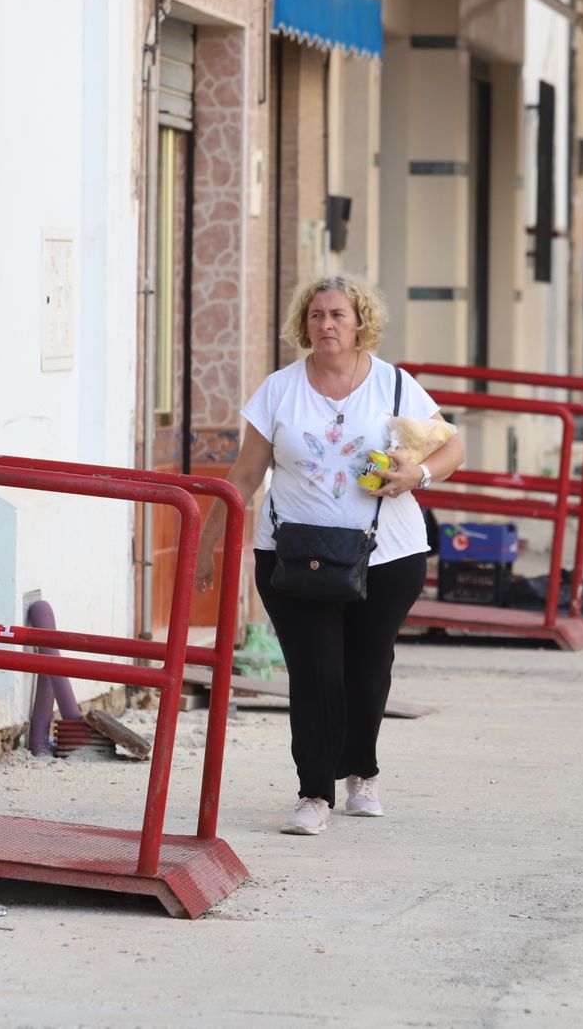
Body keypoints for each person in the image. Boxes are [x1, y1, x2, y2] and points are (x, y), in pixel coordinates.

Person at [194, 273, 465, 836]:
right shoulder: (279, 390)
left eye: (338, 315)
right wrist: (206, 543)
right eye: (317, 315)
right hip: (292, 555)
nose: (326, 325)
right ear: (304, 324)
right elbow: (244, 474)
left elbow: (452, 446)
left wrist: (419, 474)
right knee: (315, 670)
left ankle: (361, 773)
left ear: (360, 322)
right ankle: (314, 791)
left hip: (386, 555)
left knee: (368, 670)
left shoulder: (394, 386)